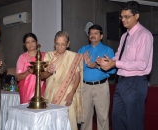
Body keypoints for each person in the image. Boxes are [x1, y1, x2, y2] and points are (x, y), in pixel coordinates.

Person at [96, 1, 153, 130]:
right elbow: (119, 57)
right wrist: (109, 62)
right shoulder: (124, 36)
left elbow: (142, 64)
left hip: (136, 82)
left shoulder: (144, 35)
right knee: (117, 119)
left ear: (137, 16)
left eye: (127, 16)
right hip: (122, 82)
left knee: (134, 123)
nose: (123, 20)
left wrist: (116, 63)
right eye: (122, 17)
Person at [41, 31, 84, 130]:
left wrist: (72, 93)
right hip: (50, 94)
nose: (60, 47)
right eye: (57, 44)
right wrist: (49, 71)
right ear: (54, 42)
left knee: (68, 122)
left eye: (63, 44)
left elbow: (77, 77)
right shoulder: (48, 56)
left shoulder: (73, 57)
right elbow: (42, 75)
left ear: (68, 44)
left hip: (67, 95)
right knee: (51, 123)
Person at [78, 24, 116, 130]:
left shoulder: (108, 50)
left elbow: (113, 70)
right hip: (85, 87)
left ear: (101, 36)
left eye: (96, 33)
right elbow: (77, 70)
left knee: (103, 117)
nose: (93, 35)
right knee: (84, 117)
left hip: (101, 86)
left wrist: (97, 66)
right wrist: (84, 63)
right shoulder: (82, 50)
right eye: (91, 33)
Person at [16, 33, 46, 104]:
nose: (30, 44)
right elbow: (18, 77)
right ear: (24, 44)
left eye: (32, 41)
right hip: (26, 91)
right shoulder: (22, 57)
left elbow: (48, 73)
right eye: (27, 42)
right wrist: (28, 72)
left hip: (41, 89)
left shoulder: (44, 56)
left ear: (37, 42)